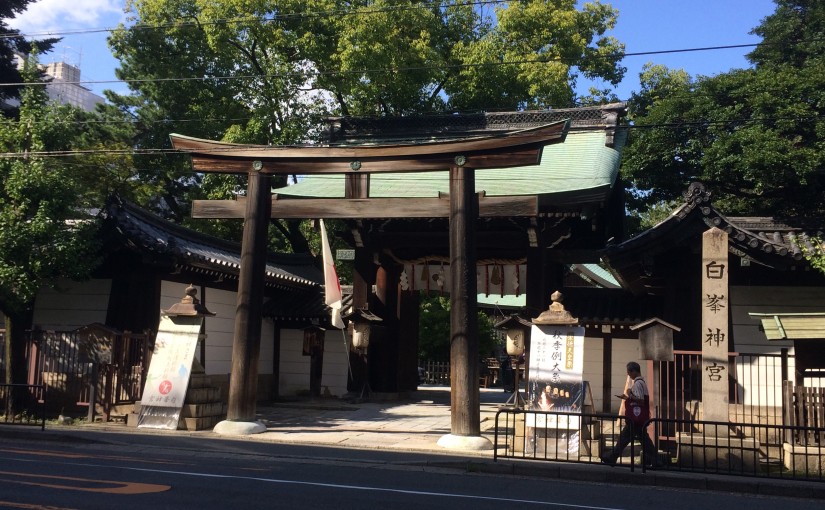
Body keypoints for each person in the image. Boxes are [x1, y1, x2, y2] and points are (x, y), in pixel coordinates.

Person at [600, 361, 659, 468]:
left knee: (626, 438)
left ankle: (612, 457)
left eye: (629, 372)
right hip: (638, 418)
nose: (628, 374)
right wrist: (627, 397)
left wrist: (630, 395)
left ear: (634, 371)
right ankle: (657, 461)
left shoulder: (637, 384)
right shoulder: (642, 383)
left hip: (635, 418)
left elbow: (640, 400)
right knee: (642, 440)